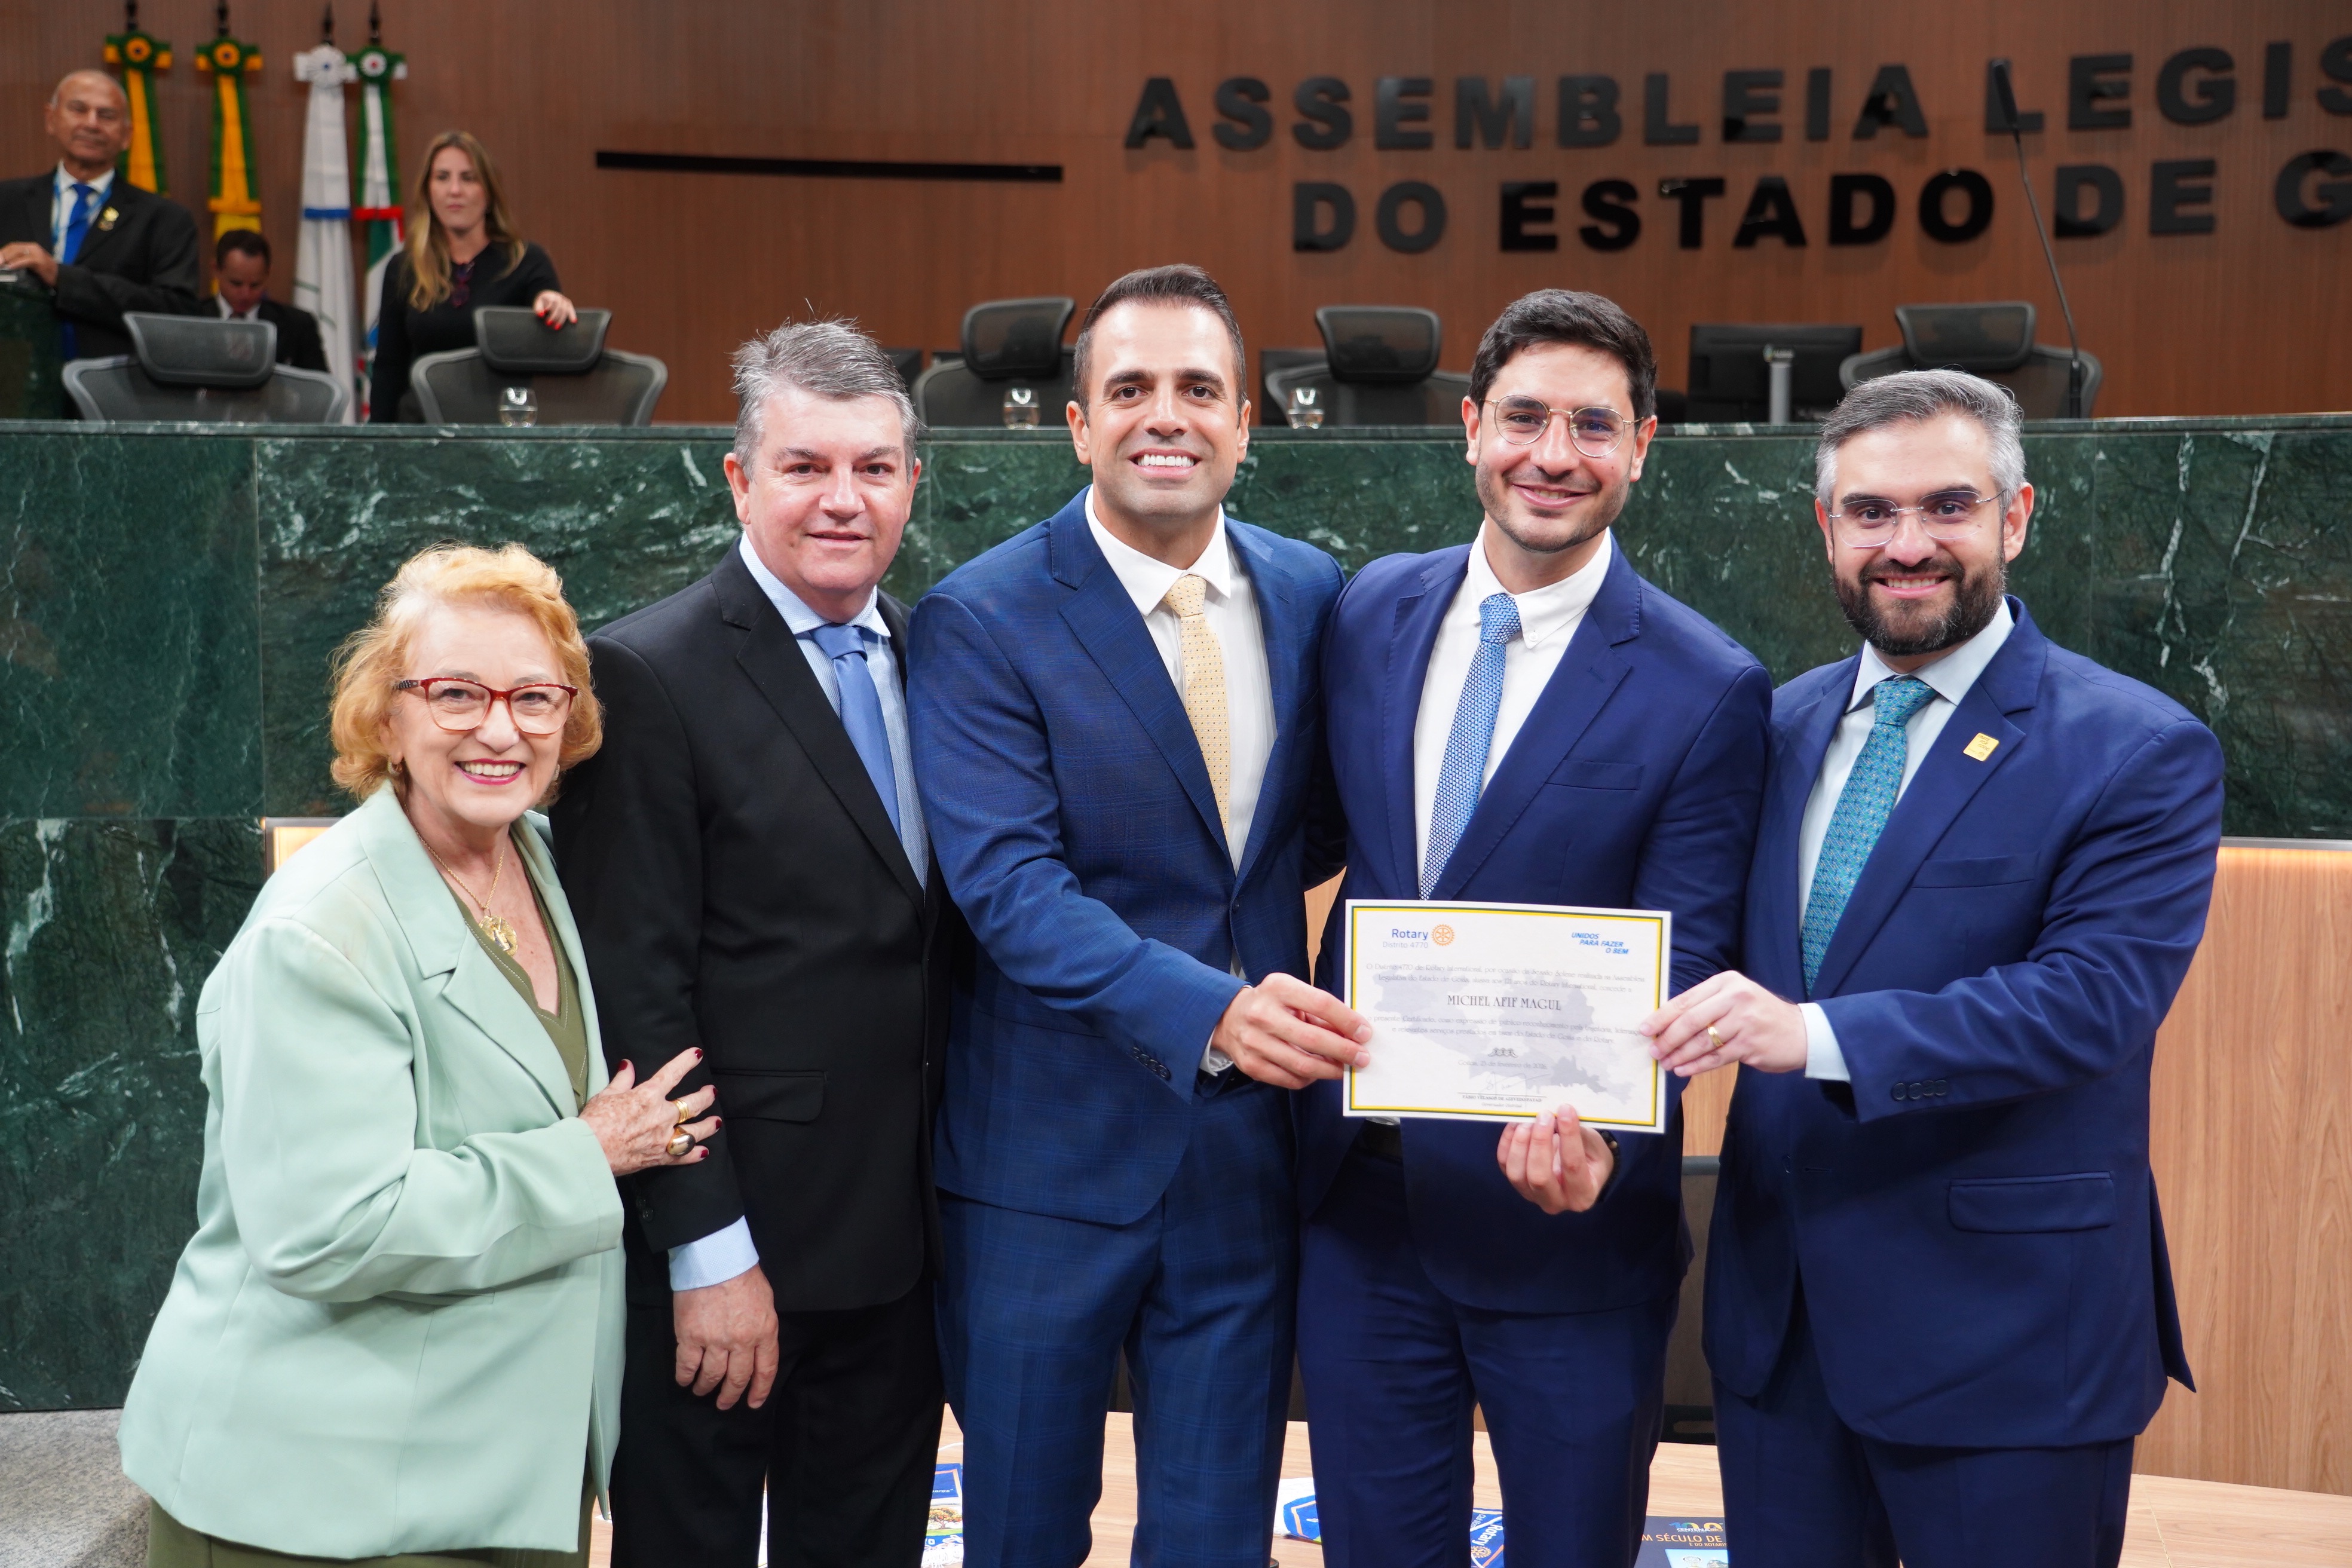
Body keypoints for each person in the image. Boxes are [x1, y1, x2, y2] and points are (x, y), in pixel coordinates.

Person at [1646, 370, 2224, 1568]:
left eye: (1947, 506)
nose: (1906, 544)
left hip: (2008, 1336)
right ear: (1827, 528)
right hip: (1780, 1331)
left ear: (2016, 517)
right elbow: (1687, 947)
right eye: (1871, 511)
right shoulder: (1771, 727)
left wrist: (1812, 1035)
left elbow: (2092, 1002)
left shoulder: (2139, 748)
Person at [116, 544, 716, 1564]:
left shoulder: (543, 858)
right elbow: (329, 1226)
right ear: (385, 716)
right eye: (456, 693)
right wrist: (589, 1154)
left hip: (487, 1480)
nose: (500, 728)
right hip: (316, 1504)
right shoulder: (318, 931)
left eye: (534, 697)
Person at [1300, 290, 1773, 1567]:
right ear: (1470, 428)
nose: (1552, 454)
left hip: (1568, 1222)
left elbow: (1689, 951)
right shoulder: (1368, 613)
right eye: (1523, 417)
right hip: (1362, 1208)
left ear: (1642, 446)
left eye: (1593, 425)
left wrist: (1607, 1146)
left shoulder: (1707, 684)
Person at [907, 264, 1369, 1568]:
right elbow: (1011, 889)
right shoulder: (980, 616)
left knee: (1216, 1539)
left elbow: (1306, 831)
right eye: (1130, 389)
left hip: (1244, 1169)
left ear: (1245, 421)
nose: (1166, 415)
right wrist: (1217, 1008)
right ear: (1078, 423)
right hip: (1040, 1172)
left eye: (1198, 388)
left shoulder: (1313, 592)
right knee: (1020, 1537)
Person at [551, 320, 954, 1568]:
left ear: (911, 483)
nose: (843, 498)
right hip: (734, 1263)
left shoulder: (943, 657)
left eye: (873, 468)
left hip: (906, 1261)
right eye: (805, 466)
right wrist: (708, 1250)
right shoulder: (646, 672)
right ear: (739, 479)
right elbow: (635, 991)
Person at [368, 130, 575, 422]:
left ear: (488, 193)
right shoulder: (404, 268)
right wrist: (379, 441)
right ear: (428, 192)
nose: (455, 190)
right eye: (442, 178)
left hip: (501, 430)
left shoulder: (525, 260)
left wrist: (551, 302)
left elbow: (548, 304)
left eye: (468, 178)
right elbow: (389, 369)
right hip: (421, 429)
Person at [0, 69, 199, 362]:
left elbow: (176, 314)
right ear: (51, 119)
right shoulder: (7, 202)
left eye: (106, 115)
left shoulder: (165, 220)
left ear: (127, 135)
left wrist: (62, 278)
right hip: (15, 379)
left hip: (114, 383)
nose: (91, 124)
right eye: (78, 109)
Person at [213, 228, 329, 372]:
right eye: (236, 283)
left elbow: (318, 383)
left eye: (255, 285)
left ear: (268, 274)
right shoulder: (194, 318)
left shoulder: (298, 325)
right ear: (216, 270)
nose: (245, 294)